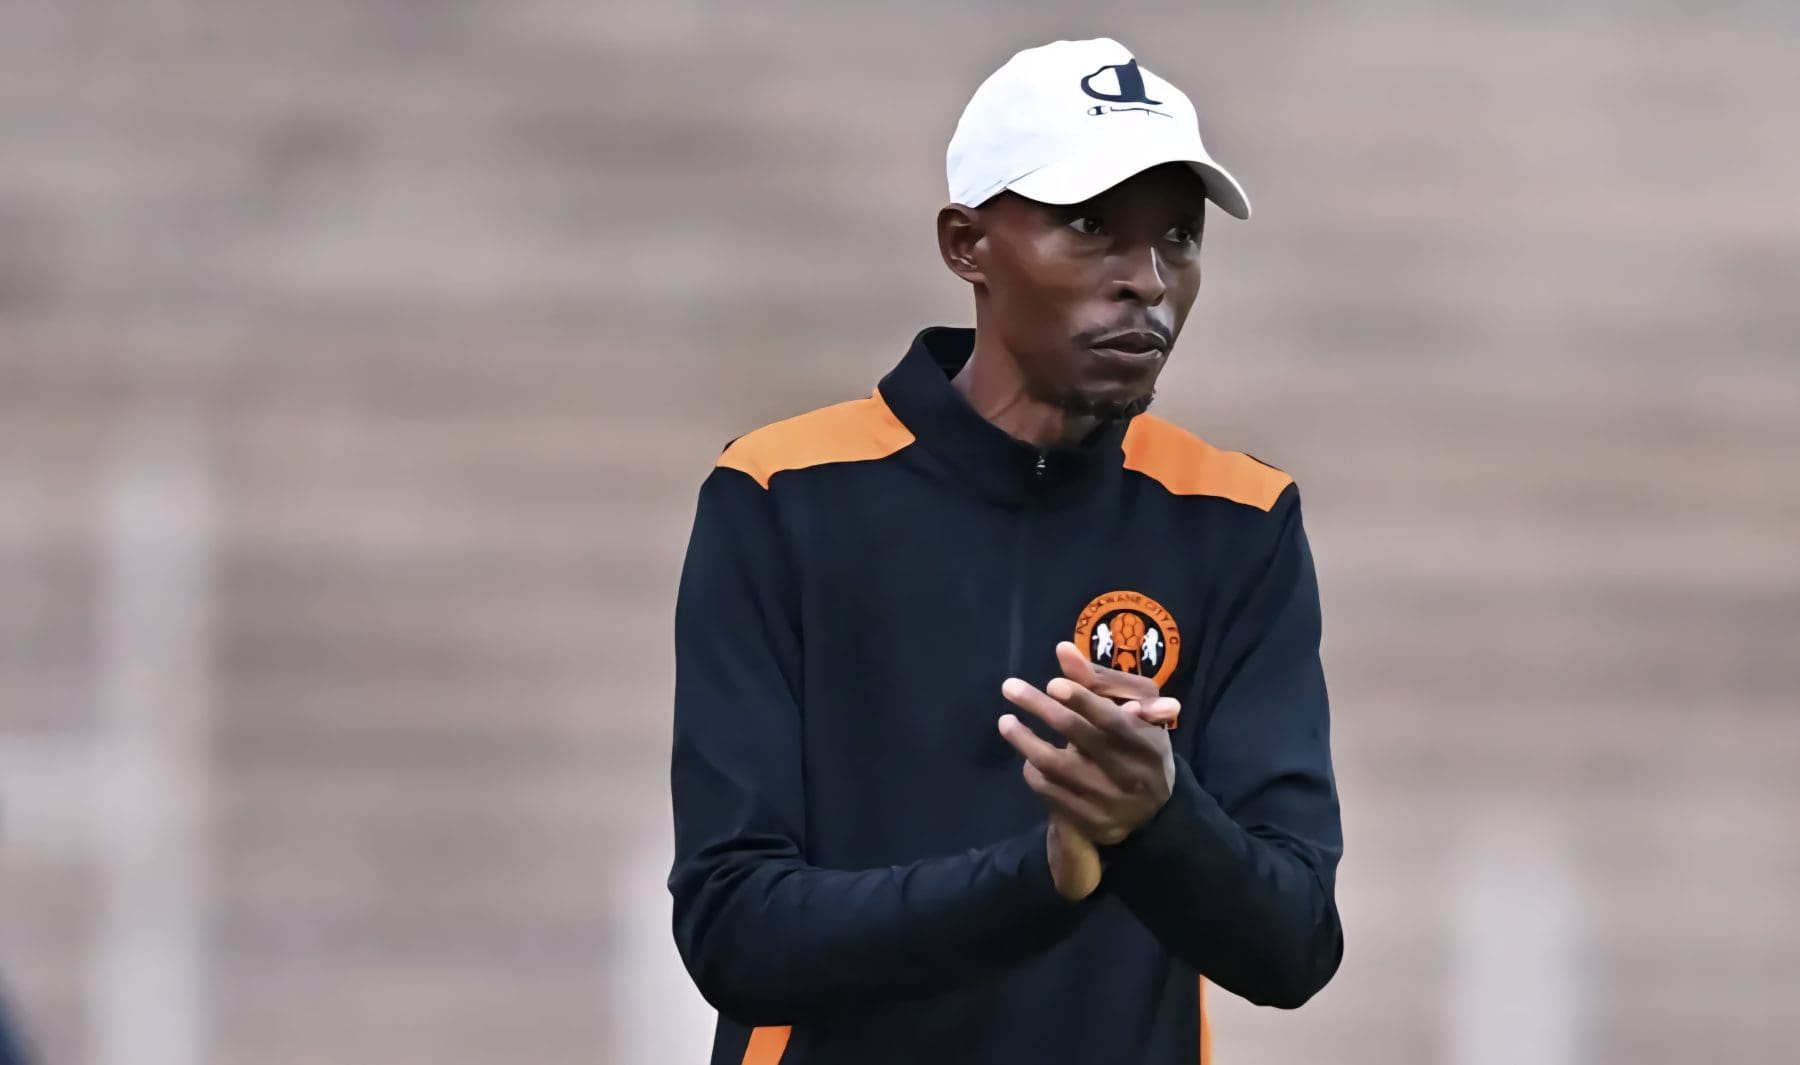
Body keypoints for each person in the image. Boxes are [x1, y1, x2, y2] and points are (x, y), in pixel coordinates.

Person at [669, 37, 1343, 1065]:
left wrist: (1161, 816)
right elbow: (734, 927)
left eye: (1178, 236)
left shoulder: (1237, 518)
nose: (1147, 280)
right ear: (967, 244)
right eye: (1091, 225)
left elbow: (1294, 944)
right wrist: (1041, 877)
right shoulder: (782, 492)